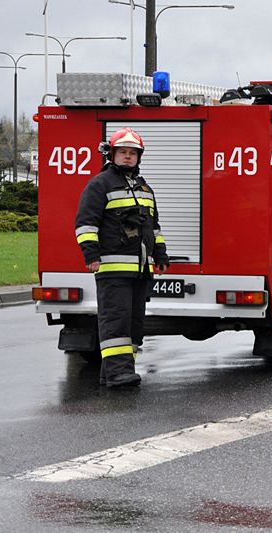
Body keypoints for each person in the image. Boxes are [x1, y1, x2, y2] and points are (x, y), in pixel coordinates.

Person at [75, 127, 169, 388]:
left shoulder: (144, 188)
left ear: (139, 157)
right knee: (115, 320)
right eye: (123, 152)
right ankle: (119, 374)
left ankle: (113, 371)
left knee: (134, 321)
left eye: (132, 153)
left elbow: (154, 227)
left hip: (139, 269)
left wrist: (160, 253)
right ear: (112, 154)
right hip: (112, 268)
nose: (127, 157)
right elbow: (85, 224)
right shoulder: (99, 184)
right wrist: (91, 254)